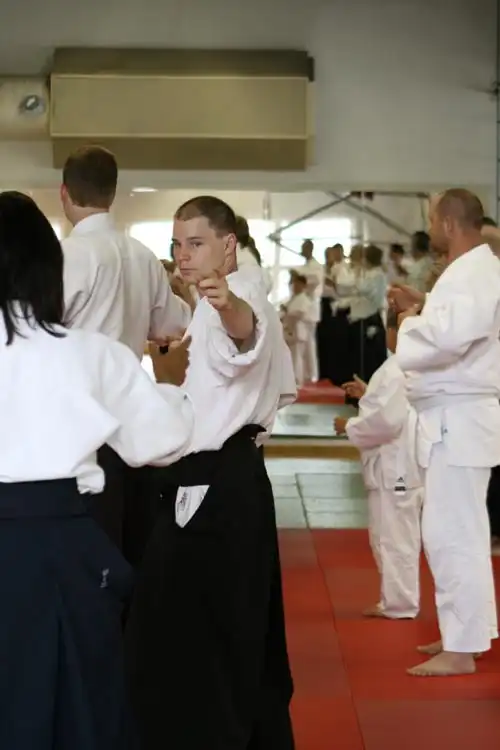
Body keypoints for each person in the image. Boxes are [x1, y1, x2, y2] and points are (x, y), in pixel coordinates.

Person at [0, 191, 196, 749]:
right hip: (62, 542)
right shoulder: (91, 353)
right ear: (48, 268)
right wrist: (175, 391)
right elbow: (161, 442)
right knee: (77, 699)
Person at [124, 196, 296, 750]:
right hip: (227, 478)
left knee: (194, 629)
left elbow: (244, 333)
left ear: (228, 244)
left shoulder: (241, 297)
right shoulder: (210, 298)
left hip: (216, 485)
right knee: (227, 626)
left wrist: (226, 309)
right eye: (177, 245)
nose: (183, 256)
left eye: (195, 244)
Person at [60, 145, 192, 564]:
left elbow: (41, 332)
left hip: (76, 423)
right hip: (130, 420)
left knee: (82, 548)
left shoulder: (67, 256)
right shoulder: (143, 257)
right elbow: (173, 326)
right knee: (122, 545)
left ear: (64, 192)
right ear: (113, 194)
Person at [394, 189, 500, 676]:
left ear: (449, 222)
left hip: (460, 419)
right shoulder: (467, 273)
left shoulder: (478, 270)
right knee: (455, 532)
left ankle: (463, 647)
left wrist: (410, 322)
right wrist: (427, 303)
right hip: (453, 420)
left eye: (432, 219)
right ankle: (466, 635)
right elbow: (456, 320)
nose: (429, 228)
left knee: (453, 533)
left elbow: (451, 338)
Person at [334, 307, 423, 619]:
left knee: (396, 534)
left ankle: (401, 603)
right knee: (388, 532)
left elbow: (387, 419)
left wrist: (349, 427)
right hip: (394, 461)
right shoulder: (402, 366)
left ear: (393, 333)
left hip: (396, 463)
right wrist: (367, 393)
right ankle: (394, 599)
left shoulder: (401, 367)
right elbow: (387, 406)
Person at [348, 243, 387, 384]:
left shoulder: (376, 274)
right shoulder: (372, 273)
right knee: (361, 358)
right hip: (363, 318)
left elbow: (363, 289)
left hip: (368, 318)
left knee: (368, 359)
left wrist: (358, 271)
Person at [294, 238, 323, 382]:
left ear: (310, 249)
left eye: (304, 248)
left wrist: (300, 277)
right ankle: (304, 374)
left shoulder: (316, 266)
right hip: (302, 307)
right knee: (301, 345)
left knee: (309, 344)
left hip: (310, 309)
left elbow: (314, 281)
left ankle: (312, 374)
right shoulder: (306, 266)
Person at [281, 272, 315, 386]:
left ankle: (297, 380)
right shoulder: (293, 298)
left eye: (298, 284)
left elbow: (300, 313)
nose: (295, 286)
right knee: (290, 356)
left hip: (298, 330)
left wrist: (287, 311)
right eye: (294, 284)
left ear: (303, 285)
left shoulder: (304, 299)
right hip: (290, 330)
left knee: (297, 357)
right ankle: (290, 379)